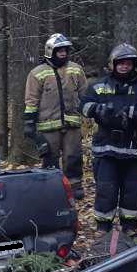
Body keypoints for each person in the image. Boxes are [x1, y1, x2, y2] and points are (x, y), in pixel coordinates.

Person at [80, 43, 137, 233]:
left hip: (135, 148)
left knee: (132, 190)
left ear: (134, 65)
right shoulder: (99, 86)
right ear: (112, 64)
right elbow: (83, 105)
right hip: (107, 147)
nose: (125, 66)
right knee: (106, 189)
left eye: (129, 63)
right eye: (121, 63)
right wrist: (97, 109)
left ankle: (130, 227)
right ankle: (103, 227)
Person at [23, 33, 88, 199]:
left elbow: (85, 94)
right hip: (48, 124)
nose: (63, 53)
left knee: (73, 156)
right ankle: (51, 188)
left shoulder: (75, 69)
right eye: (60, 50)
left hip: (72, 123)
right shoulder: (37, 73)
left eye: (65, 50)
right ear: (51, 51)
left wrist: (90, 109)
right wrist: (29, 122)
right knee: (50, 158)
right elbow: (31, 100)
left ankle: (74, 187)